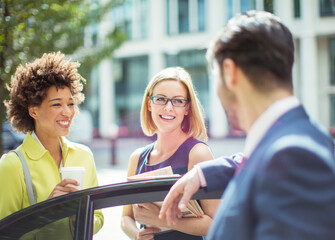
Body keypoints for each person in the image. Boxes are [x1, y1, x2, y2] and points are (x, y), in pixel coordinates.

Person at [159, 11, 335, 240]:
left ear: (230, 72)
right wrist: (201, 173)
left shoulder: (292, 156)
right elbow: (259, 163)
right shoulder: (297, 142)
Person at [0, 52, 103, 237]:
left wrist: (76, 214)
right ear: (33, 111)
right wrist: (45, 212)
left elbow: (98, 220)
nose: (67, 112)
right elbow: (5, 233)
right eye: (57, 105)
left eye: (70, 104)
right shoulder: (12, 165)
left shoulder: (84, 155)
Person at [121, 67, 219, 240]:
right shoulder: (137, 158)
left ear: (187, 108)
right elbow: (126, 217)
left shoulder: (198, 153)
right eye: (160, 99)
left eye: (178, 101)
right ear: (149, 103)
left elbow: (215, 222)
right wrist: (137, 234)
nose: (168, 108)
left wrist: (165, 220)